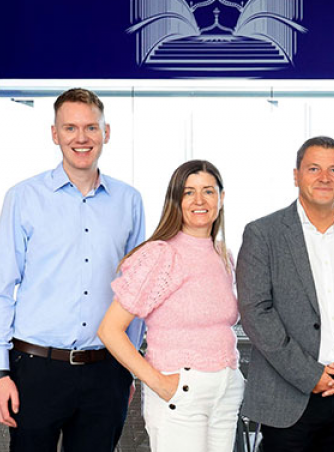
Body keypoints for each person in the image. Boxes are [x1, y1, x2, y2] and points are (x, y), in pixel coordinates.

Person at [0, 88, 146, 451]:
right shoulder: (23, 197)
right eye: (70, 128)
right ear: (55, 134)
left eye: (91, 127)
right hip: (35, 370)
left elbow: (136, 293)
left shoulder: (129, 201)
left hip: (106, 372)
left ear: (106, 132)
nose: (81, 137)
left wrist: (129, 366)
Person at [236, 136, 334, 452]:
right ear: (296, 175)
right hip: (287, 397)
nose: (324, 177)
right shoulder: (263, 233)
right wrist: (310, 375)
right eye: (313, 168)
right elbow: (255, 313)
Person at [98, 160, 243, 451]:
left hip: (226, 391)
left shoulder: (223, 255)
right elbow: (109, 330)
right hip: (180, 393)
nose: (199, 200)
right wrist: (160, 384)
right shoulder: (161, 255)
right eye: (189, 192)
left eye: (208, 191)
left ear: (221, 198)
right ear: (176, 200)